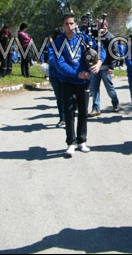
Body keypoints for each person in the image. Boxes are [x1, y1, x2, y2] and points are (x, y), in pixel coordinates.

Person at [49, 14, 103, 157]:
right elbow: (60, 65)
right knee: (69, 112)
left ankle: (82, 141)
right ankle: (71, 143)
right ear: (63, 26)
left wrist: (98, 63)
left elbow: (100, 50)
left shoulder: (83, 38)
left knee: (83, 112)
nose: (70, 26)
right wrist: (77, 74)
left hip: (84, 82)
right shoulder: (57, 43)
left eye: (72, 23)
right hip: (67, 82)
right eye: (67, 24)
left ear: (76, 25)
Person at [89, 19, 120, 117]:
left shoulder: (110, 37)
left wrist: (111, 67)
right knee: (94, 88)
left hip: (106, 66)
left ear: (106, 26)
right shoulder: (94, 35)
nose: (98, 27)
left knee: (109, 87)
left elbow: (114, 53)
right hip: (95, 66)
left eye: (100, 25)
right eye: (98, 25)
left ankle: (115, 103)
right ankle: (96, 108)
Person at [47, 27, 65, 128]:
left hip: (67, 75)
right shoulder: (52, 46)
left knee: (69, 97)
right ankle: (62, 118)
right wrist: (62, 66)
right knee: (60, 97)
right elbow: (51, 59)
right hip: (55, 75)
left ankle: (69, 117)